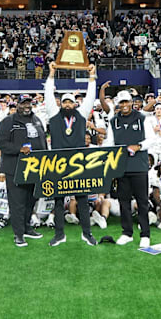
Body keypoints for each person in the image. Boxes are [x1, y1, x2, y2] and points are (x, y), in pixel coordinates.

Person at [45, 62, 98, 247]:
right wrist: (51, 74)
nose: (67, 104)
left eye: (70, 101)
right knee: (58, 200)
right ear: (61, 103)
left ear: (75, 103)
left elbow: (91, 96)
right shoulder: (53, 113)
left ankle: (87, 233)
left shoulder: (82, 114)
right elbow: (48, 95)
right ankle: (59, 234)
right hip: (58, 163)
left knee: (82, 199)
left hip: (78, 163)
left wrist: (92, 77)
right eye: (64, 101)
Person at [103, 90, 156, 248]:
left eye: (127, 102)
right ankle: (127, 233)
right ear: (118, 104)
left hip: (139, 166)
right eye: (122, 102)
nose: (124, 105)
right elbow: (110, 142)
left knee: (142, 201)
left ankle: (145, 234)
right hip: (121, 167)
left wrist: (139, 146)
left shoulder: (142, 119)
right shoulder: (114, 121)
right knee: (123, 201)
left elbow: (151, 139)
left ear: (132, 102)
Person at [0, 94, 47, 247]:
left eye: (28, 103)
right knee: (17, 202)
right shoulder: (8, 121)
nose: (26, 106)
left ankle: (27, 228)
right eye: (23, 103)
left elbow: (43, 140)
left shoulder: (37, 119)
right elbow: (0, 143)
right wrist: (19, 149)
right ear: (17, 105)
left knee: (31, 199)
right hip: (15, 167)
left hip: (35, 167)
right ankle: (18, 234)